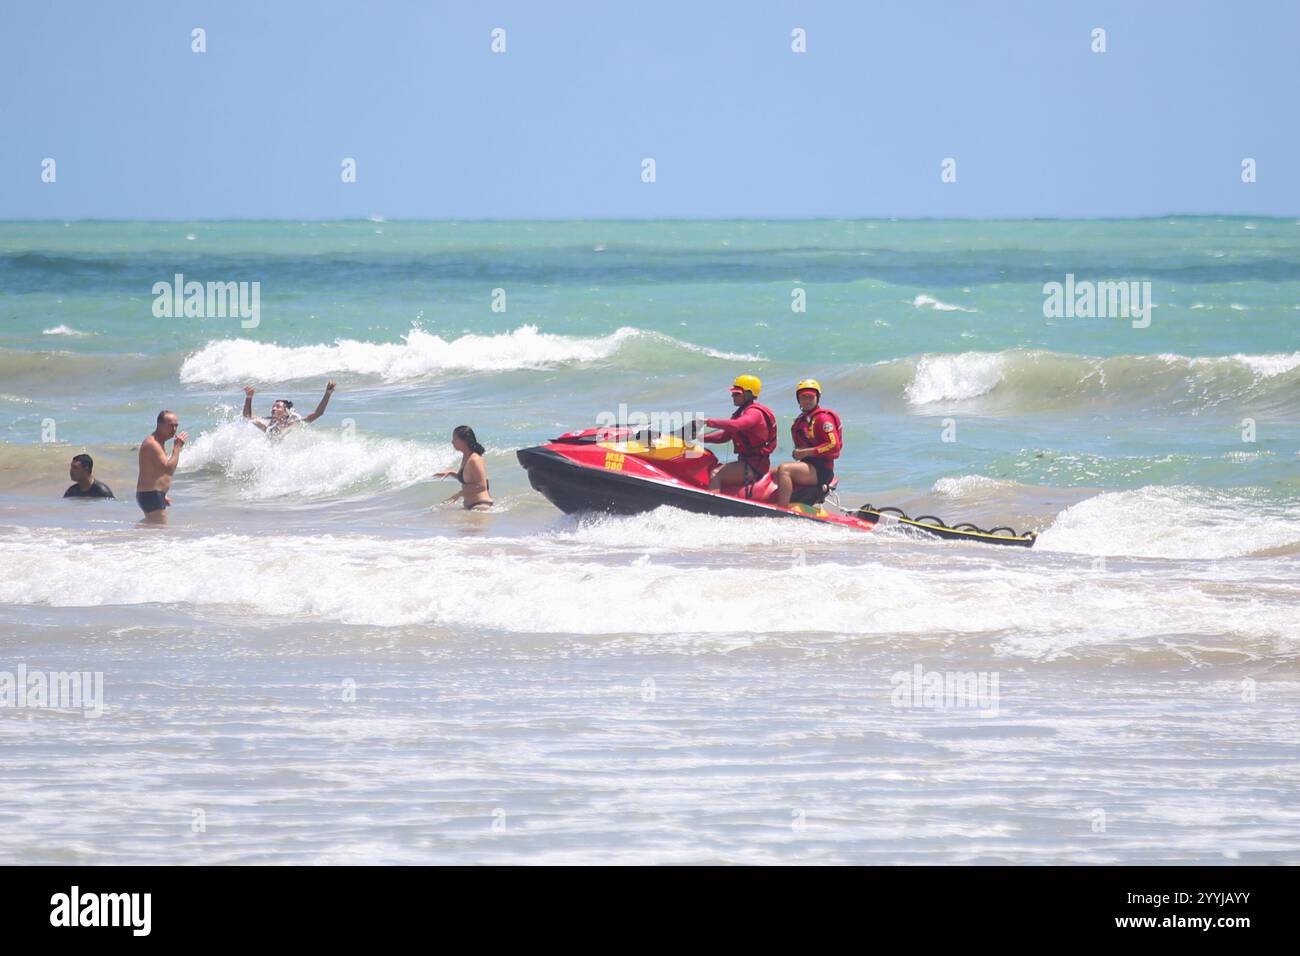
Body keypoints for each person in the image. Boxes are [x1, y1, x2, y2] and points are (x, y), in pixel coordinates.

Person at [700, 374, 778, 492]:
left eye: (737, 394)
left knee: (716, 473)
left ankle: (710, 509)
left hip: (755, 466)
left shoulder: (754, 413)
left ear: (748, 394)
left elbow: (737, 425)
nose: (732, 396)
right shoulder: (741, 412)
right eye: (733, 393)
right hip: (746, 462)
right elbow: (724, 436)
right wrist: (700, 438)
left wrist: (708, 421)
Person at [773, 378, 844, 507]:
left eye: (811, 397)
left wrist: (805, 452)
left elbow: (834, 446)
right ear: (798, 400)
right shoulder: (803, 419)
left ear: (817, 398)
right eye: (803, 397)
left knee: (784, 469)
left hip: (821, 470)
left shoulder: (823, 418)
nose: (807, 400)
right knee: (772, 472)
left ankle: (781, 509)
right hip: (808, 466)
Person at [136, 410, 188, 524]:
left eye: (176, 426)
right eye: (170, 426)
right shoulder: (153, 444)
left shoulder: (158, 442)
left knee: (152, 528)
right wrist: (177, 447)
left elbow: (155, 471)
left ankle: (134, 532)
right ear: (159, 425)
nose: (174, 429)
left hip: (152, 494)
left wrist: (162, 494)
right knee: (160, 532)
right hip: (151, 495)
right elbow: (168, 469)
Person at [242, 381, 336, 438]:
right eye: (273, 407)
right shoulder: (268, 426)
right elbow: (247, 416)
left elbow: (317, 413)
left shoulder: (293, 424)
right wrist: (249, 397)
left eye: (278, 406)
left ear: (286, 412)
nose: (273, 409)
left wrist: (327, 394)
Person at [435, 425, 493, 511]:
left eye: (454, 438)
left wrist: (459, 494)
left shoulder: (474, 459)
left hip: (481, 506)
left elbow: (481, 486)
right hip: (472, 506)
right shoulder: (466, 456)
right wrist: (451, 473)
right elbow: (469, 479)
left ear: (463, 440)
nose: (452, 442)